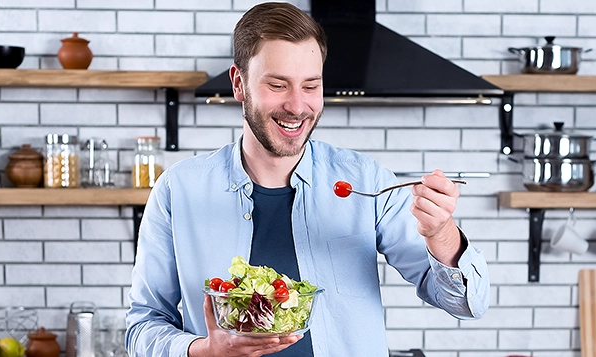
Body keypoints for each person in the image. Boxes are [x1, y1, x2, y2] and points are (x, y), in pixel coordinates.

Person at [125, 2, 490, 357]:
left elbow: (466, 304)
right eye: (278, 85)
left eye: (311, 86)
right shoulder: (179, 190)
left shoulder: (367, 182)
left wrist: (441, 234)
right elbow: (143, 326)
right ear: (239, 83)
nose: (298, 107)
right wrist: (201, 350)